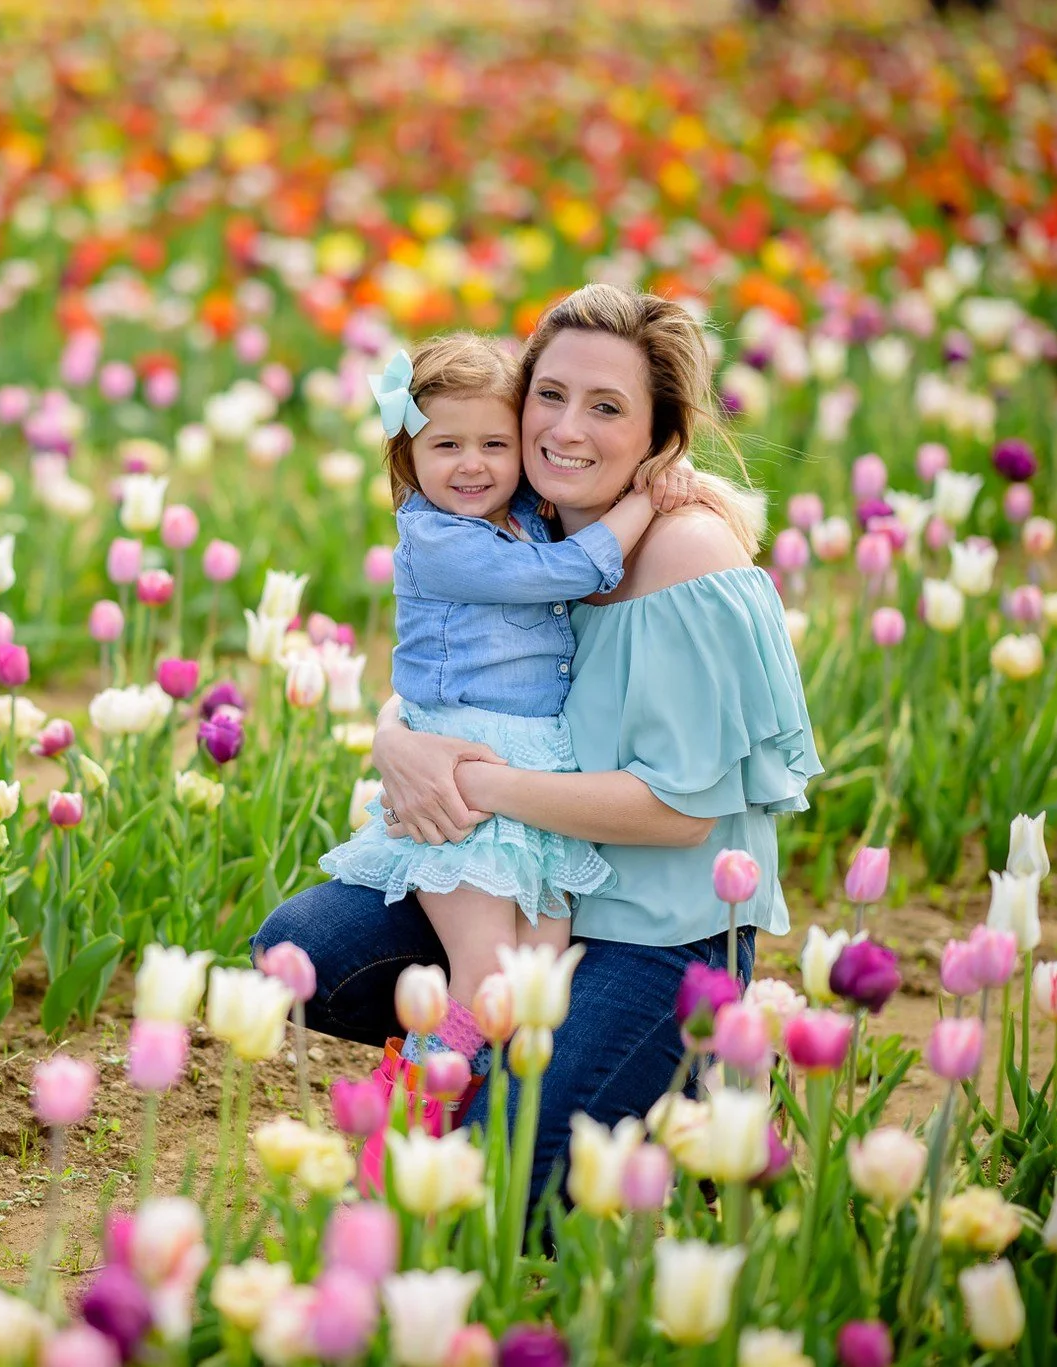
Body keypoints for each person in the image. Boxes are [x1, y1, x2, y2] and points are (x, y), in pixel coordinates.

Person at [254, 282, 821, 1209]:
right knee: (304, 949)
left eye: (607, 407)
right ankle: (531, 1071)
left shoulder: (687, 553)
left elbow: (681, 814)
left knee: (498, 1189)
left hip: (654, 933)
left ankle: (688, 1080)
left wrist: (476, 782)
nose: (566, 428)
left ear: (659, 435)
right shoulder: (523, 521)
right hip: (532, 886)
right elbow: (462, 676)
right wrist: (397, 739)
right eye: (549, 395)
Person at [317, 333, 691, 1092]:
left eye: (495, 443)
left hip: (538, 774)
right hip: (463, 776)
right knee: (486, 971)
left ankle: (485, 1108)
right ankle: (417, 1098)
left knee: (538, 976)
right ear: (407, 455)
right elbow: (566, 571)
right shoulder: (437, 537)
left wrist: (655, 474)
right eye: (446, 444)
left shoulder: (522, 511)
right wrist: (648, 501)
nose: (473, 465)